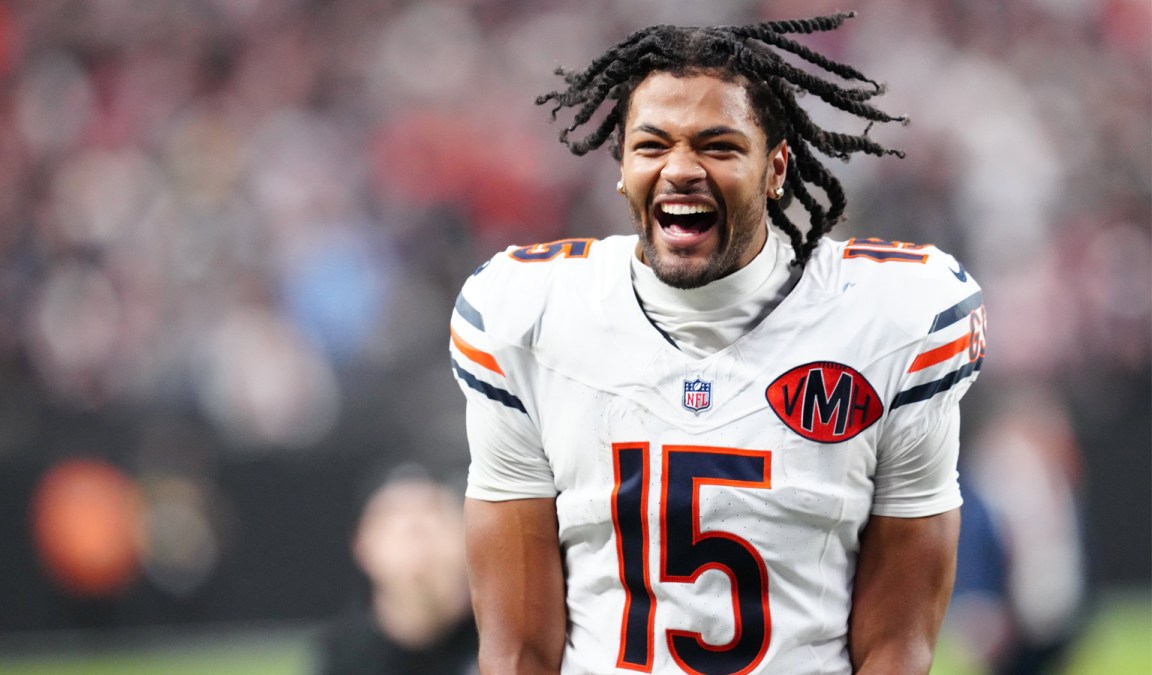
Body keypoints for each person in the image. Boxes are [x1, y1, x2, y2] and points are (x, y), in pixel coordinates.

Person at [449, 12, 986, 675]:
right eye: (651, 145)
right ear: (620, 166)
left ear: (775, 168)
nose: (680, 169)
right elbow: (517, 649)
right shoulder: (526, 316)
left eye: (719, 146)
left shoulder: (894, 319)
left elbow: (898, 643)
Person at [315, 468, 478, 675]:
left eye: (433, 511)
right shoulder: (344, 657)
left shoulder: (508, 638)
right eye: (392, 516)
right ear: (361, 545)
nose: (415, 528)